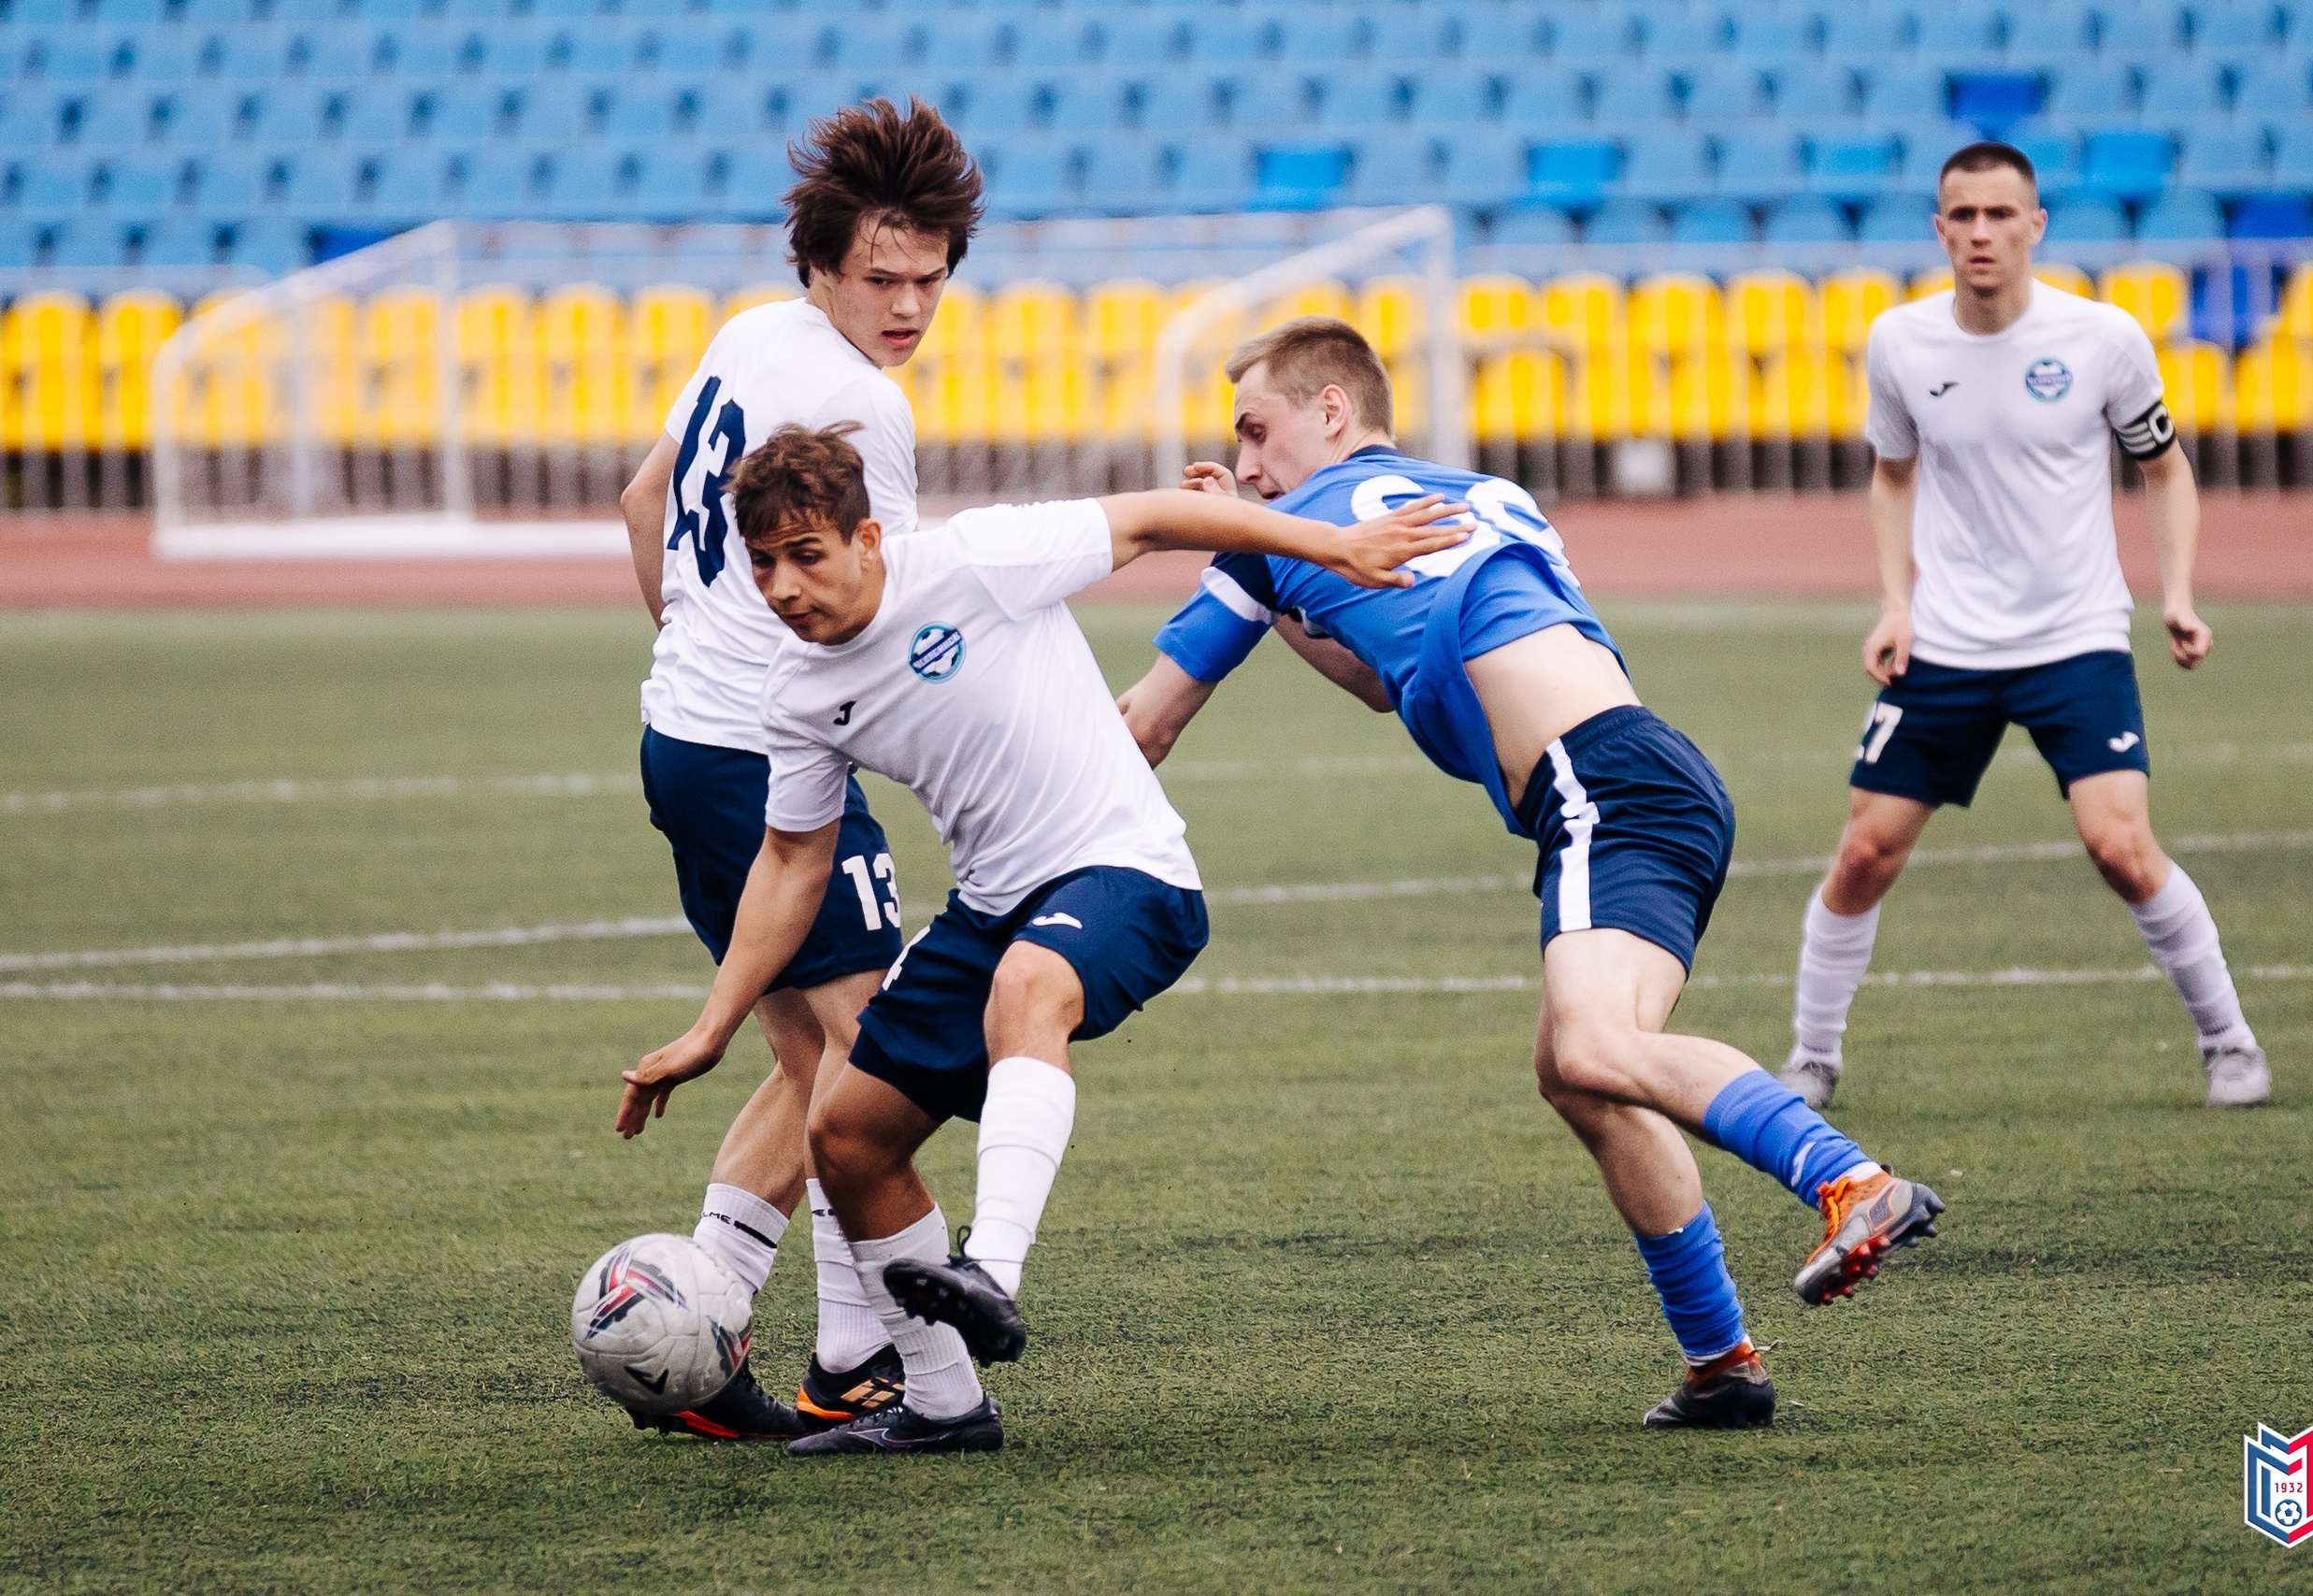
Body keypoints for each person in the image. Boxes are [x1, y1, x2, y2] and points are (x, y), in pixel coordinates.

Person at [1114, 317, 1947, 1431]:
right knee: (1577, 1069)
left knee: (1599, 1047)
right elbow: (1379, 674)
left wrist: (1234, 542)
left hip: (1596, 783)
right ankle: (1722, 1364)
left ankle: (1854, 1183)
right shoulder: (1467, 494)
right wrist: (1269, 564)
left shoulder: (1276, 527)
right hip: (1641, 772)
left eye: (1258, 432)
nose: (1249, 464)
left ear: (1331, 412)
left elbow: (1145, 725)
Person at [619, 422, 1466, 1457]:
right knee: (845, 1136)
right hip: (989, 906)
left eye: (807, 555)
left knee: (1029, 987)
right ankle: (943, 1407)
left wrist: (1326, 545)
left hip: (1128, 871)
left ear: (869, 540)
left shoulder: (979, 561)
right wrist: (712, 1024)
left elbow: (1153, 518)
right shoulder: (796, 693)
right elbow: (792, 863)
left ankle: (993, 1271)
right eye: (762, 564)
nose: (786, 586)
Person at [611, 97, 981, 1441]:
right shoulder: (862, 405)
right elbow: (888, 611)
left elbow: (642, 503)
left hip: (687, 737)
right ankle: (854, 1359)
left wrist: (692, 641)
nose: (908, 304)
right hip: (763, 753)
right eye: (880, 277)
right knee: (872, 1061)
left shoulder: (747, 336)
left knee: (808, 1052)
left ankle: (695, 1331)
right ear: (818, 264)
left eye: (931, 277)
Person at [1777, 142, 2268, 1114]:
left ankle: (2229, 1043)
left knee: (2119, 846)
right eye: (1962, 216)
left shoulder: (2102, 338)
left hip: (2074, 636)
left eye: (2001, 215)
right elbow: (1890, 474)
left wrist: (2176, 591)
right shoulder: (1901, 343)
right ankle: (1810, 1056)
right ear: (1939, 228)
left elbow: (2162, 468)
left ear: (2034, 225)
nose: (1981, 233)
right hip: (1947, 643)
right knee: (1864, 851)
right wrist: (1895, 601)